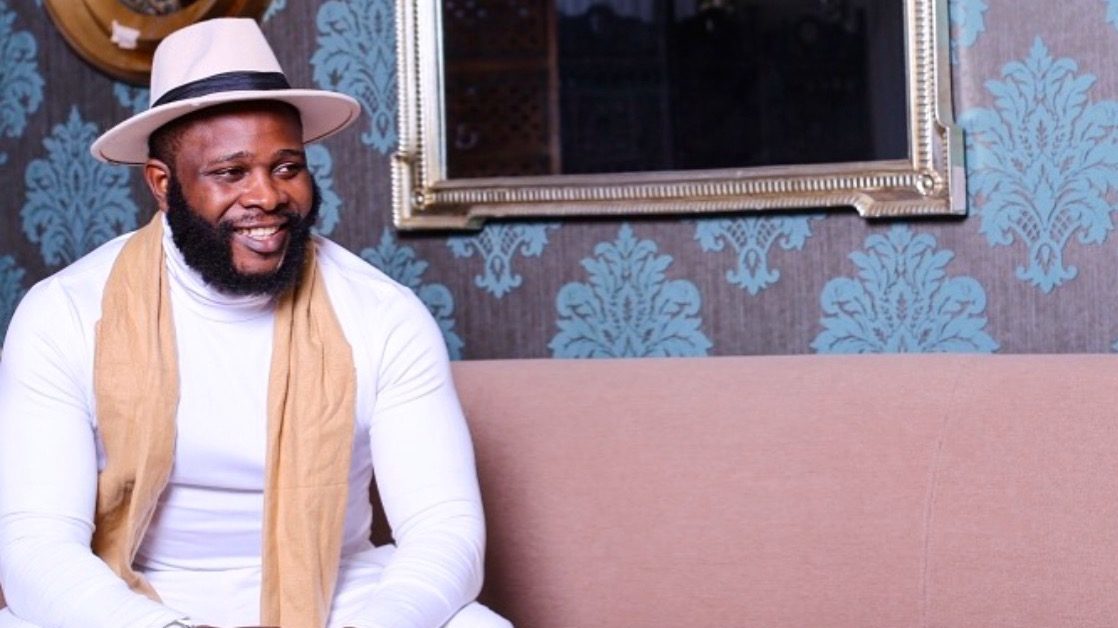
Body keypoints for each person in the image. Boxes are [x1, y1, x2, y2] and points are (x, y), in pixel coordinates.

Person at [0, 18, 511, 628]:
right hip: (131, 601)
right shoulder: (64, 313)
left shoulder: (383, 313)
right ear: (162, 184)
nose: (267, 196)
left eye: (287, 167)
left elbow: (445, 530)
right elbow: (35, 545)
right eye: (231, 172)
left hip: (343, 598)